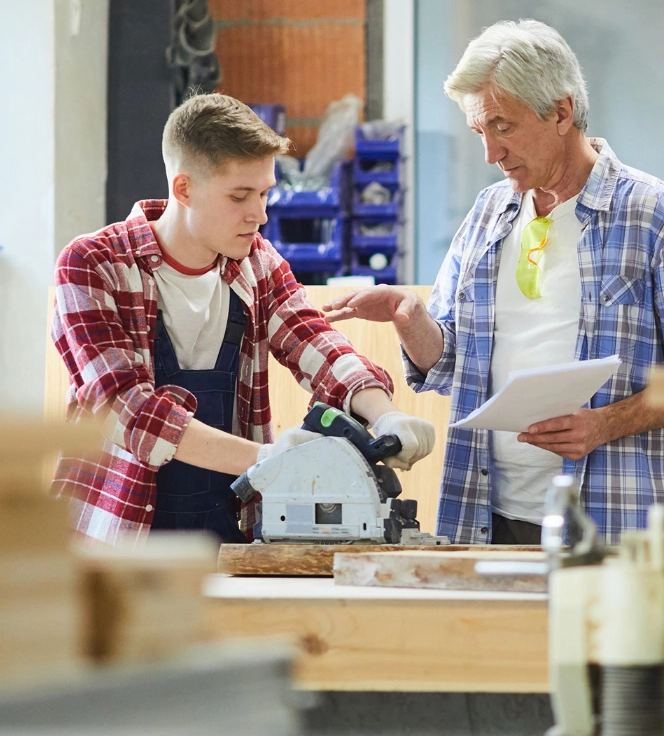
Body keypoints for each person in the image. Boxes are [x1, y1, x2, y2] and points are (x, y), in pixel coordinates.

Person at [326, 20, 664, 545]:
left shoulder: (655, 214)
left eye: (502, 127)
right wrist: (411, 319)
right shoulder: (488, 214)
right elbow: (450, 362)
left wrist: (605, 424)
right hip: (484, 516)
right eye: (479, 132)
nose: (490, 153)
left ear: (561, 111)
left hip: (616, 522)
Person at [52, 94, 435, 544]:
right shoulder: (93, 265)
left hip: (227, 530)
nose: (261, 215)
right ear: (184, 188)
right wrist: (271, 457)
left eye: (265, 193)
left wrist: (385, 414)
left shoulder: (257, 265)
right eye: (240, 196)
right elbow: (129, 412)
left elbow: (316, 344)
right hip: (116, 536)